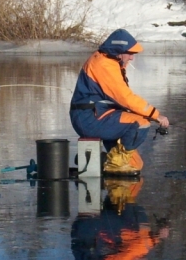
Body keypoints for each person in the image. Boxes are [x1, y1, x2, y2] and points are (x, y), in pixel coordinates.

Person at [69, 29, 170, 175]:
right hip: (89, 119)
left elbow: (120, 100)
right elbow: (125, 98)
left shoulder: (111, 63)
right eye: (130, 53)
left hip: (99, 115)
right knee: (140, 124)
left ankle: (102, 161)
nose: (132, 58)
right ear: (118, 51)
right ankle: (113, 164)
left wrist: (145, 114)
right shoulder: (104, 65)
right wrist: (155, 115)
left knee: (136, 165)